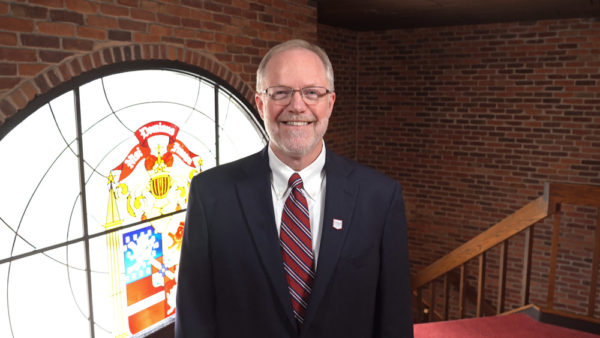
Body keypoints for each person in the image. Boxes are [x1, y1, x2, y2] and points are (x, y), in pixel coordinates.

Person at [175, 39, 413, 338]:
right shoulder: (211, 194)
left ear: (330, 102)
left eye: (312, 93)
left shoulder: (380, 197)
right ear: (261, 103)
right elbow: (194, 316)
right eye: (281, 93)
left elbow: (394, 319)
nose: (297, 106)